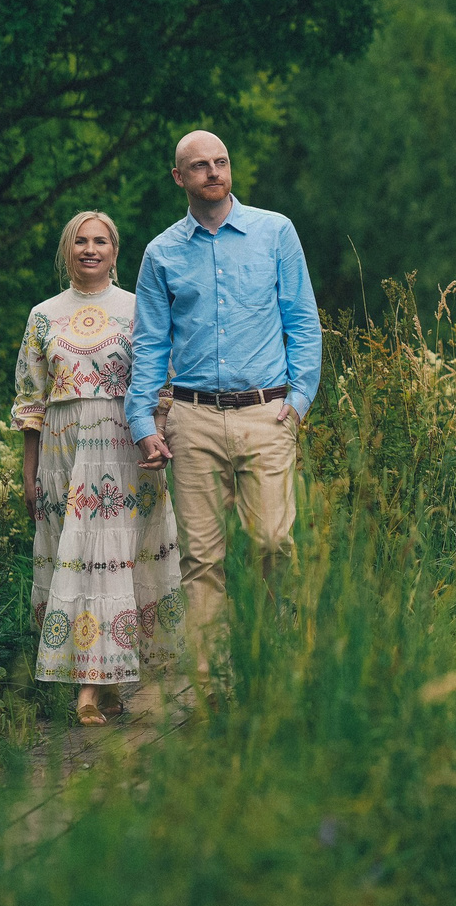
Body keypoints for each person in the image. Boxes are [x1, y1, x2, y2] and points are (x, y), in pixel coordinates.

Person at [127, 130, 321, 694]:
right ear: (179, 178)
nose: (213, 172)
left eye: (221, 162)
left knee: (274, 543)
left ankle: (279, 669)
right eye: (200, 166)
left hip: (267, 413)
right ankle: (211, 684)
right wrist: (142, 422)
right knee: (202, 558)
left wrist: (298, 401)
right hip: (193, 419)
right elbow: (150, 344)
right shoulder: (162, 253)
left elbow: (303, 322)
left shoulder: (275, 232)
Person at [11, 210, 183, 724]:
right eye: (81, 241)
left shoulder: (138, 309)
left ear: (115, 251)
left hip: (123, 447)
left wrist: (158, 439)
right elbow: (30, 399)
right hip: (62, 452)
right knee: (76, 558)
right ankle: (103, 685)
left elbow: (164, 381)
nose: (90, 249)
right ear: (67, 250)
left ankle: (90, 689)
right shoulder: (43, 316)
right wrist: (29, 470)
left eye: (100, 241)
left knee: (111, 560)